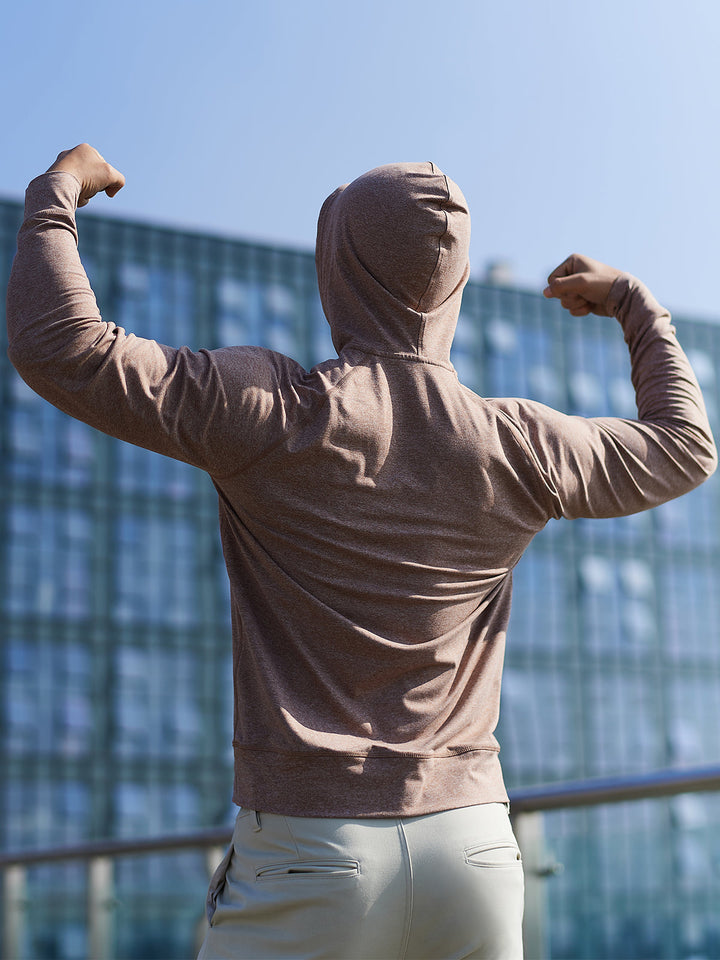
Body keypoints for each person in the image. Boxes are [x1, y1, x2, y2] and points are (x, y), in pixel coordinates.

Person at [6, 144, 717, 960]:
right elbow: (686, 446)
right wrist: (634, 304)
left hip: (311, 854)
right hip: (474, 852)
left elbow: (59, 344)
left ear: (338, 265)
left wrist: (56, 191)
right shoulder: (519, 442)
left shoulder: (274, 409)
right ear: (453, 288)